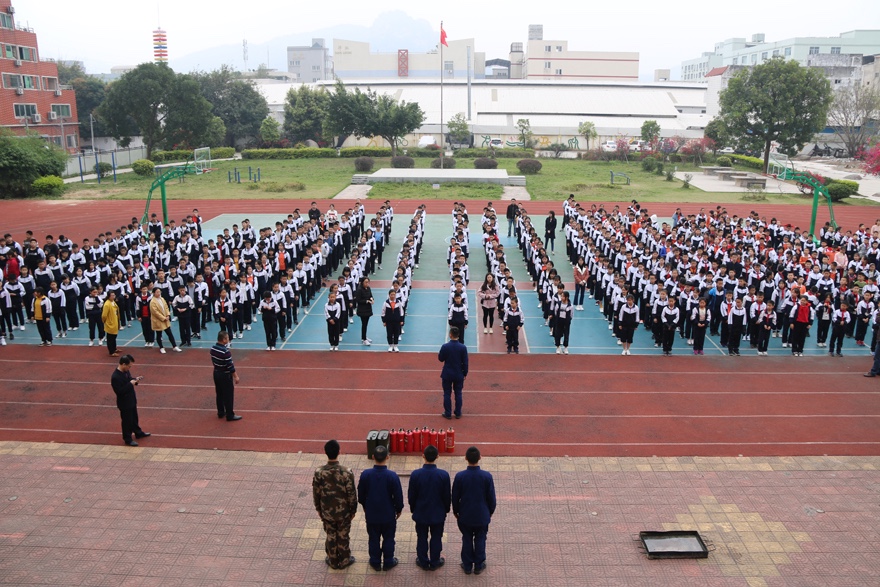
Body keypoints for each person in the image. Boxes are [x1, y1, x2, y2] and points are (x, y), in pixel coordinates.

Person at [313, 439, 358, 570]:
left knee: (331, 535)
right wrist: (353, 510)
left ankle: (332, 560)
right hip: (343, 512)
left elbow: (316, 493)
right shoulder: (346, 472)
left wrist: (319, 510)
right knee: (343, 535)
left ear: (325, 452)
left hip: (327, 511)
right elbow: (352, 494)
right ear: (339, 452)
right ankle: (344, 560)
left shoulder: (319, 472)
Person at [357, 445, 403, 572]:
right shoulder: (392, 476)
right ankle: (388, 561)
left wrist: (364, 506)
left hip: (371, 514)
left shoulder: (366, 475)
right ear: (388, 457)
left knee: (373, 538)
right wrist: (399, 509)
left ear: (373, 457)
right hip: (388, 514)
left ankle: (375, 562)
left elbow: (361, 494)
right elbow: (398, 496)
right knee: (389, 538)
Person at [452, 446, 496, 576]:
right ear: (480, 458)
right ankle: (478, 564)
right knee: (480, 538)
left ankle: (467, 565)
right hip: (482, 515)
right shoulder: (487, 476)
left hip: (465, 515)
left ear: (465, 458)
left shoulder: (460, 476)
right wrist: (490, 511)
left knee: (466, 538)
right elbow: (491, 497)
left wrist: (456, 511)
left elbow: (455, 496)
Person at [408, 444, 451, 571]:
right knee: (436, 537)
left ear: (423, 456)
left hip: (420, 512)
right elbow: (447, 495)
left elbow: (412, 495)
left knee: (421, 537)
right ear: (437, 456)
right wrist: (446, 509)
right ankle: (435, 560)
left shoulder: (416, 474)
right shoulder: (443, 475)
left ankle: (422, 560)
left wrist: (413, 509)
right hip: (438, 513)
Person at [110, 354, 150, 447]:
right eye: (129, 366)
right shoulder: (115, 377)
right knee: (127, 421)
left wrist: (135, 380)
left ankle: (138, 432)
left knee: (134, 418)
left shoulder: (126, 372)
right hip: (124, 403)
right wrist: (130, 384)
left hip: (131, 399)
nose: (130, 368)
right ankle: (127, 438)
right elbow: (119, 392)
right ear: (123, 364)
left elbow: (129, 380)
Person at [439, 327, 468, 420]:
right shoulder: (463, 347)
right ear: (458, 335)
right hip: (458, 373)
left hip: (447, 373)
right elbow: (465, 362)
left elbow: (440, 358)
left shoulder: (445, 346)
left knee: (447, 393)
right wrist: (465, 373)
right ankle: (458, 412)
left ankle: (448, 413)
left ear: (450, 334)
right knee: (458, 393)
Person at [210, 331, 241, 421]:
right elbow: (230, 366)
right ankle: (230, 415)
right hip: (225, 375)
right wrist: (236, 376)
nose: (228, 339)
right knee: (228, 395)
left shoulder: (213, 349)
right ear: (224, 340)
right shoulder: (225, 352)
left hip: (216, 372)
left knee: (219, 393)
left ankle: (220, 412)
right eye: (227, 338)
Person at [150, 287, 181, 354]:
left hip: (165, 319)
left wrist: (168, 315)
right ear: (154, 293)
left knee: (169, 333)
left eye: (159, 292)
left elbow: (166, 307)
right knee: (159, 334)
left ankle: (174, 346)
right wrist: (163, 318)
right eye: (157, 292)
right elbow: (155, 312)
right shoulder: (152, 301)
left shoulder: (162, 299)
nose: (158, 293)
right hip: (158, 320)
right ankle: (161, 347)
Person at [355, 277, 374, 346]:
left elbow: (371, 296)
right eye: (366, 282)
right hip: (362, 310)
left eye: (368, 282)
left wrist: (372, 299)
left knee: (366, 324)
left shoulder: (368, 288)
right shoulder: (359, 290)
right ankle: (364, 339)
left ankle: (364, 337)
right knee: (364, 324)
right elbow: (358, 300)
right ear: (362, 282)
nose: (367, 283)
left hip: (368, 309)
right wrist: (367, 301)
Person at [101, 290, 121, 357]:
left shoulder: (113, 302)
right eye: (112, 295)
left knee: (114, 336)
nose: (113, 296)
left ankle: (114, 348)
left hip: (115, 321)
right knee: (110, 338)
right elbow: (104, 315)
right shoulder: (107, 304)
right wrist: (105, 321)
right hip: (110, 322)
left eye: (114, 295)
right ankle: (111, 351)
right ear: (109, 296)